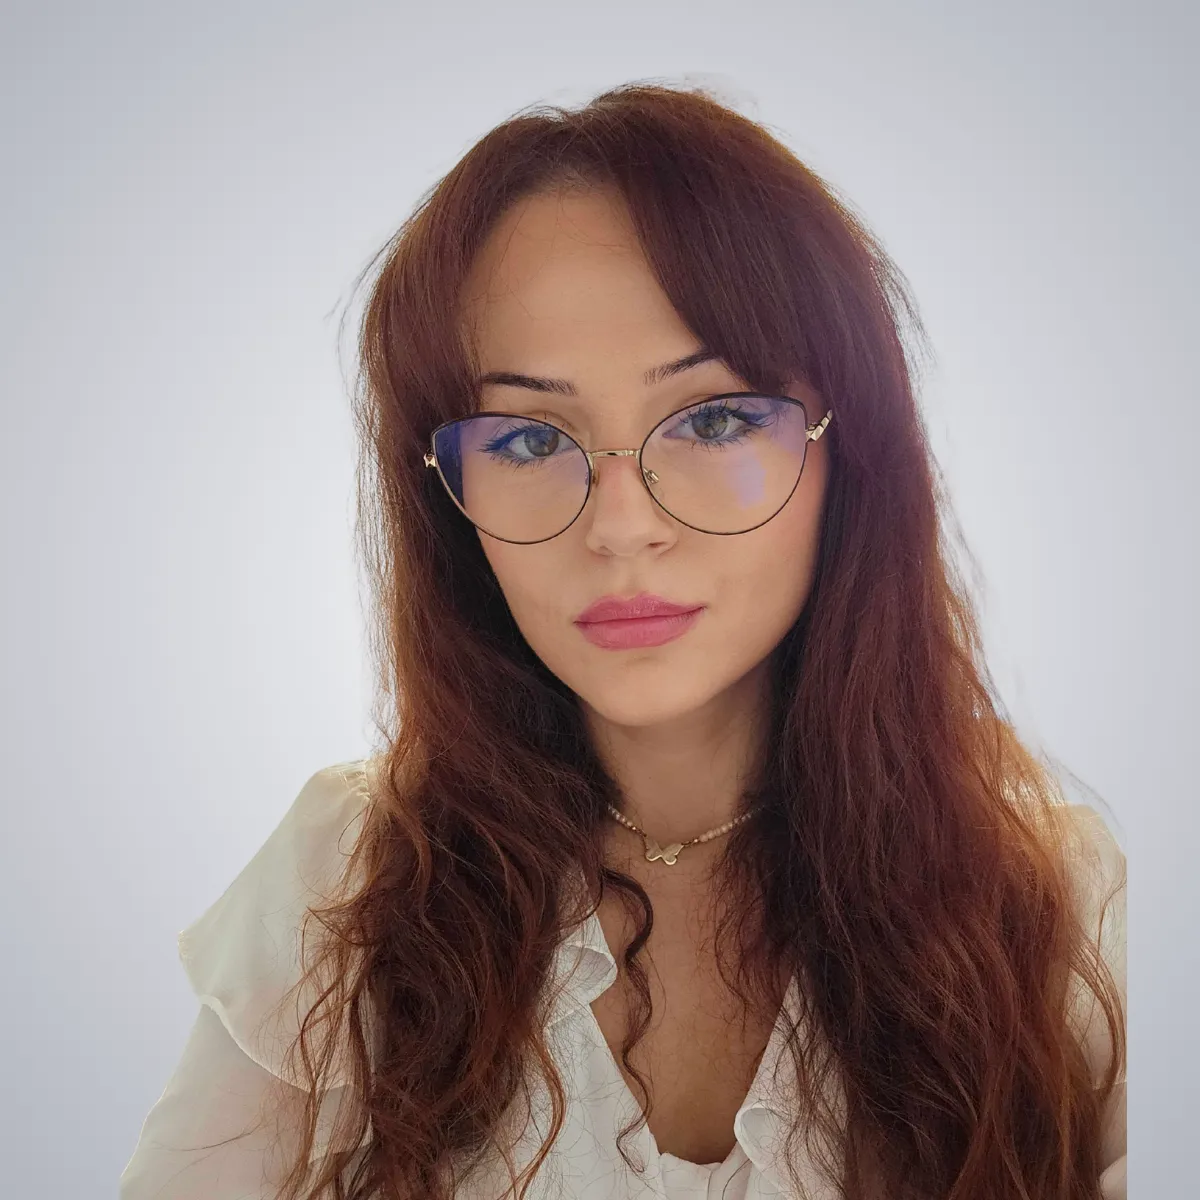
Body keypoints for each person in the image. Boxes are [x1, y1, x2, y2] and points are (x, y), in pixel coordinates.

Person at [119, 83, 1126, 1200]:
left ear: (853, 447)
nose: (621, 524)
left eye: (714, 419)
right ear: (444, 493)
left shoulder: (1067, 908)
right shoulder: (346, 882)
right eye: (527, 436)